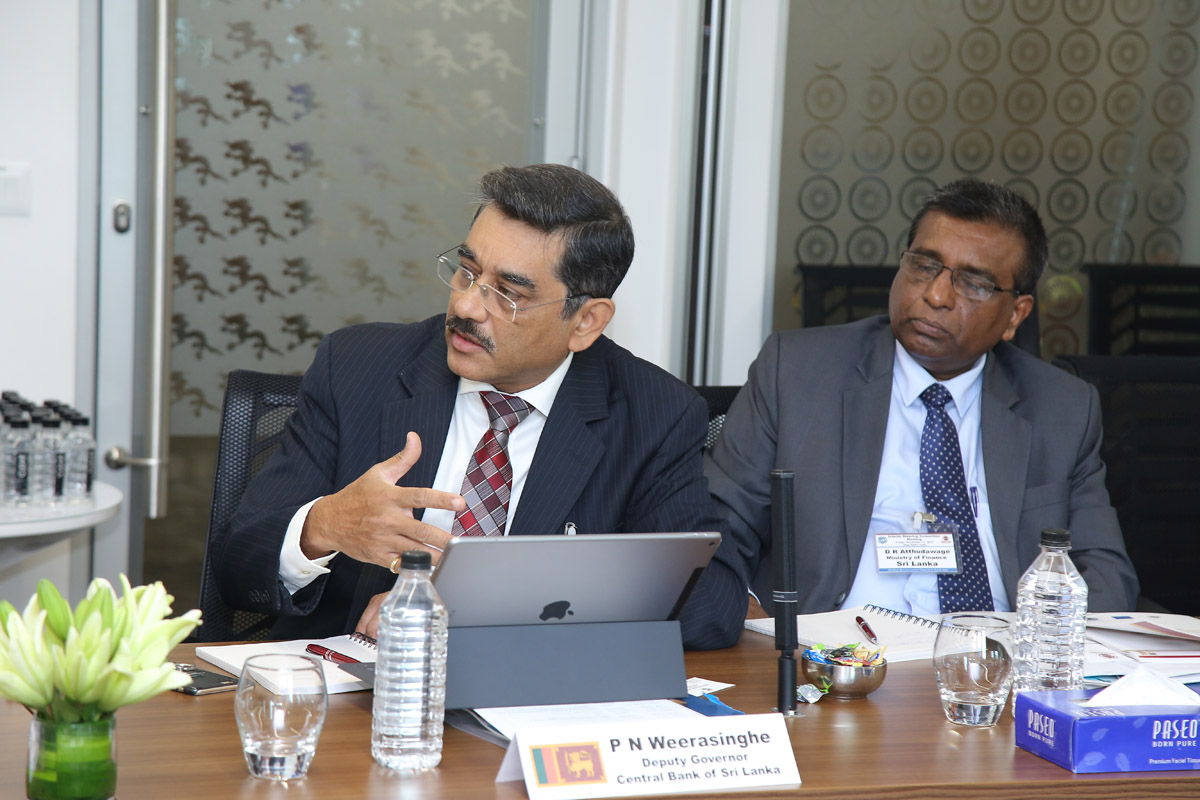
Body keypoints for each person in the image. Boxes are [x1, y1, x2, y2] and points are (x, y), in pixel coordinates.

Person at [217, 163, 746, 649]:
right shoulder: (358, 369)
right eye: (467, 272)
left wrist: (479, 600)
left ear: (586, 322)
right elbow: (238, 564)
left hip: (530, 697)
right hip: (353, 692)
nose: (467, 305)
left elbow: (712, 609)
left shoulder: (654, 412)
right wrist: (326, 525)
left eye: (508, 294)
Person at [706, 177, 1138, 618]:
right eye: (925, 265)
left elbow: (1106, 577)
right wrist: (758, 630)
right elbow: (715, 537)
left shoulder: (1063, 409)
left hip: (997, 648)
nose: (935, 295)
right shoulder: (797, 374)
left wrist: (1037, 647)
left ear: (1015, 315)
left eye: (974, 283)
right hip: (836, 647)